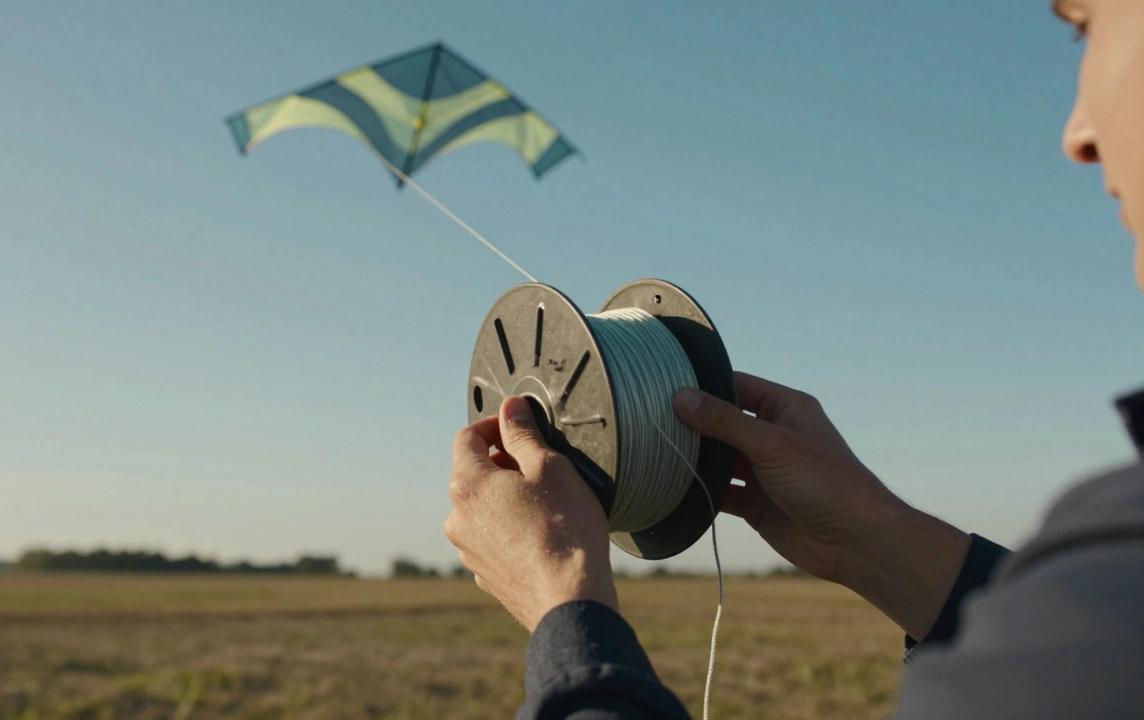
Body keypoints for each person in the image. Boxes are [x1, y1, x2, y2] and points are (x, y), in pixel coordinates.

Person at [443, 1, 1144, 718]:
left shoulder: (1109, 581)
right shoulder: (1111, 597)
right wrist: (876, 542)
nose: (1076, 136)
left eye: (1081, 26)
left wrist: (564, 608)